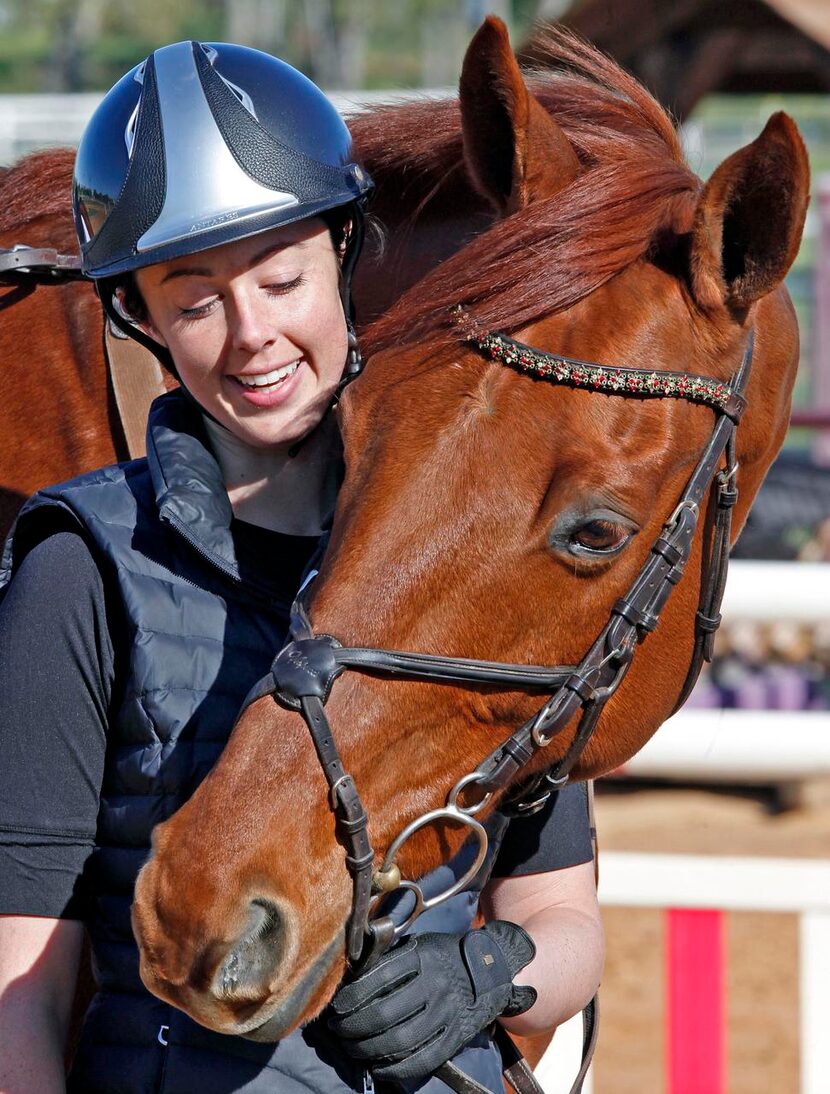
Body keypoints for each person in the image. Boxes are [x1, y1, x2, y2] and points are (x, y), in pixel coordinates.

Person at [0, 40, 603, 1094]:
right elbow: (22, 991)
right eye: (194, 302)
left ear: (343, 255)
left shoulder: (481, 550)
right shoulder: (77, 569)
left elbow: (563, 916)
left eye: (282, 278)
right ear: (141, 318)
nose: (253, 336)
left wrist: (494, 974)